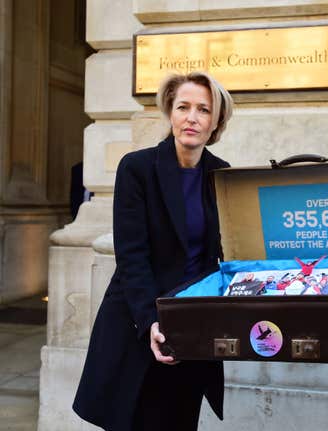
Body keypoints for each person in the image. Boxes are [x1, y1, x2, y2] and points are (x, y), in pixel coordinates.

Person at [73, 71, 233, 430]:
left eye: (203, 110)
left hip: (193, 326)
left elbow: (226, 254)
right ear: (170, 113)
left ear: (216, 121)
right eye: (183, 107)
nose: (192, 117)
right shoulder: (138, 168)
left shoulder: (222, 175)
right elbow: (132, 256)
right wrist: (151, 322)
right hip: (140, 320)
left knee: (180, 418)